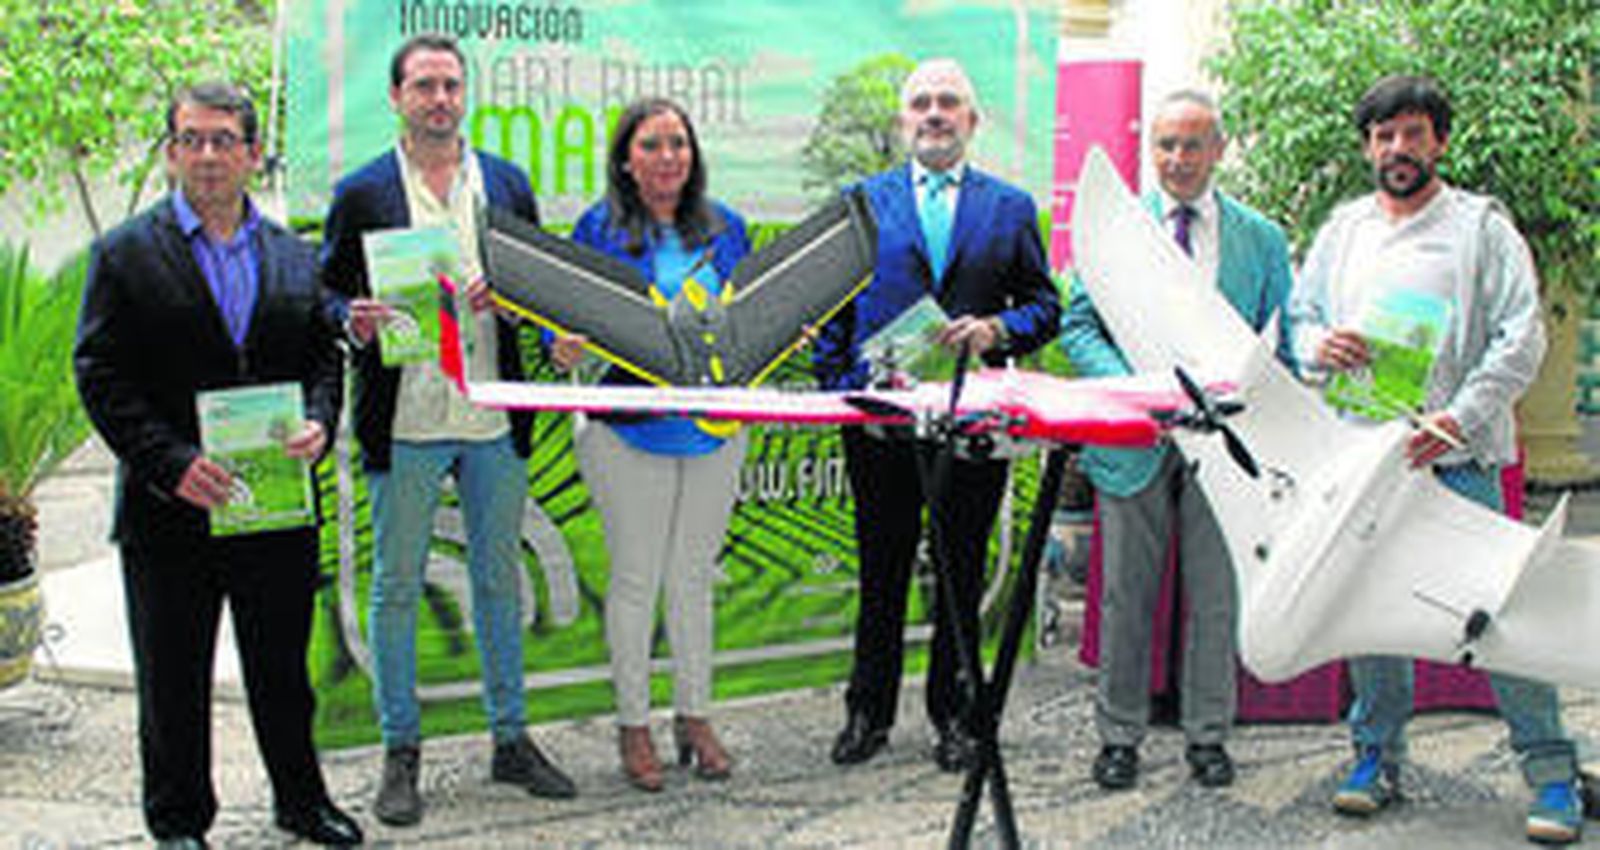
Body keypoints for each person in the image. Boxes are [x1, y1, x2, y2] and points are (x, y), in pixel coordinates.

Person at [1290, 74, 1580, 845]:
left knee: (1501, 616)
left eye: (1412, 133)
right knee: (1373, 617)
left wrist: (1459, 420)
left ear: (1440, 142)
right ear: (1368, 147)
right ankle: (1376, 758)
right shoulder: (1342, 231)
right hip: (1368, 462)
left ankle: (1552, 772)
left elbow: (1522, 337)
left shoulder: (1482, 227)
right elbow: (1299, 318)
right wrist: (1318, 345)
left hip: (1457, 460)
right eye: (1383, 136)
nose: (1397, 148)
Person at [74, 82, 362, 849]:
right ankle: (177, 822)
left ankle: (301, 802)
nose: (207, 155)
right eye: (192, 139)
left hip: (274, 509)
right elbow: (100, 375)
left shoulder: (294, 255)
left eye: (224, 140)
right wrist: (171, 463)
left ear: (253, 153)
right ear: (172, 153)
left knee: (282, 672)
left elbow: (323, 358)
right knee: (173, 679)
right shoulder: (124, 255)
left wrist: (319, 419)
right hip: (171, 509)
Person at [319, 33, 575, 827]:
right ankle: (401, 751)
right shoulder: (362, 193)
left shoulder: (505, 182)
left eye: (451, 86)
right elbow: (323, 293)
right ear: (397, 97)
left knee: (499, 580)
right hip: (405, 418)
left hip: (493, 415)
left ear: (465, 95)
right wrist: (351, 317)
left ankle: (510, 739)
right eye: (424, 86)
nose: (439, 99)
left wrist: (526, 309)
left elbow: (537, 287)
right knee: (396, 588)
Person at [813, 58, 1062, 772]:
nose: (933, 114)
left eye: (948, 102)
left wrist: (996, 330)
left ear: (972, 121)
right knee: (882, 568)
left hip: (971, 425)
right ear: (903, 120)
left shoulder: (1009, 208)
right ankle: (868, 713)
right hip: (881, 424)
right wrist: (845, 391)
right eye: (920, 102)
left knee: (960, 569)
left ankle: (956, 716)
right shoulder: (862, 202)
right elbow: (832, 311)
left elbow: (1045, 307)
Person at [1060, 90, 1295, 791]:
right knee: (1124, 598)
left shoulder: (1262, 239)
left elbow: (1284, 336)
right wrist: (1140, 389)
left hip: (1224, 447)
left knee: (1217, 598)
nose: (1178, 158)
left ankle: (1208, 736)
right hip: (1135, 440)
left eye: (1193, 144)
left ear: (1218, 149)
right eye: (1165, 144)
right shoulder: (1118, 232)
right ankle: (1118, 737)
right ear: (1151, 150)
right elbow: (1079, 327)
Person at [558, 97, 751, 792]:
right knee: (636, 581)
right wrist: (562, 342)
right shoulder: (596, 227)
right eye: (651, 145)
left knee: (693, 579)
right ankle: (633, 725)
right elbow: (562, 318)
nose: (668, 157)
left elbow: (749, 319)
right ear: (625, 160)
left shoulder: (728, 228)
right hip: (626, 431)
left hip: (714, 430)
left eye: (678, 143)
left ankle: (694, 717)